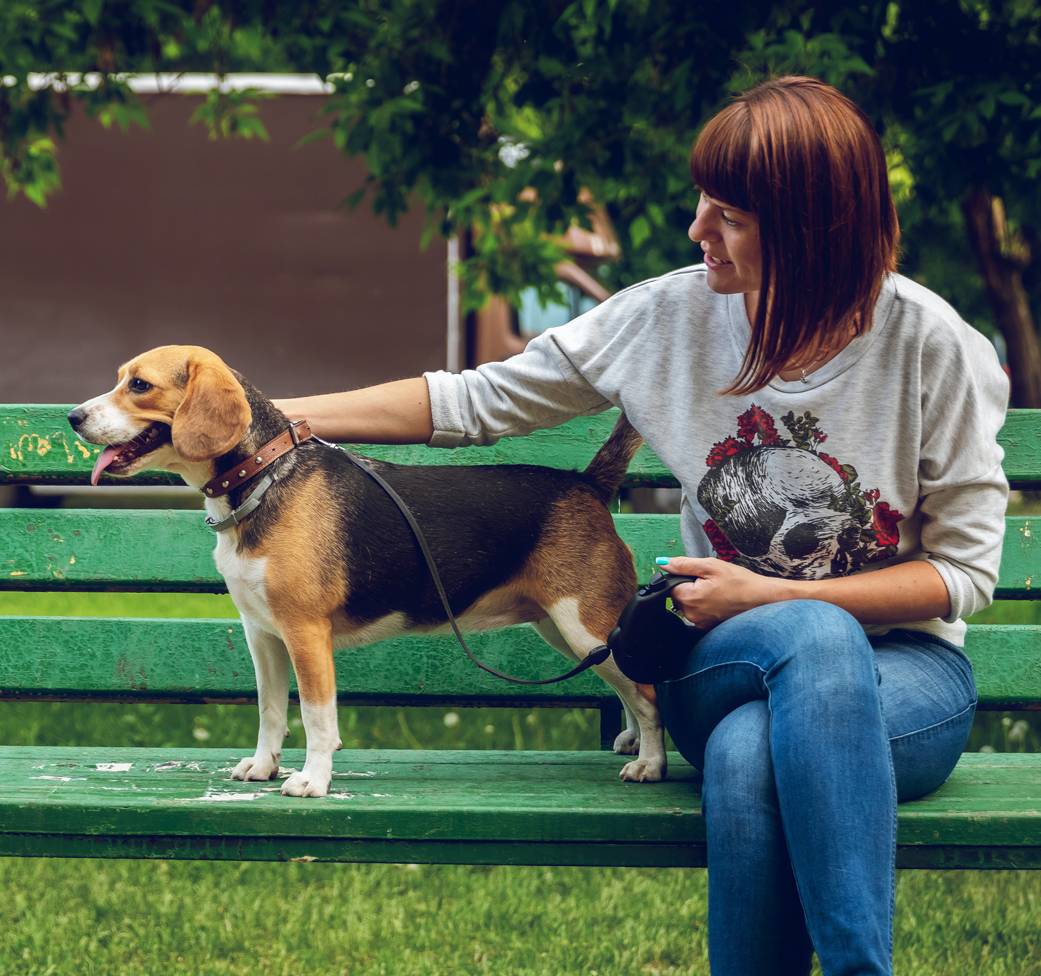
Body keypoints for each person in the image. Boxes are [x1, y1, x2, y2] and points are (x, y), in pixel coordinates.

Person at [274, 76, 1008, 976]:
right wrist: (266, 413)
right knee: (788, 661)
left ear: (815, 226)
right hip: (719, 657)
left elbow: (964, 577)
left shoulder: (932, 347)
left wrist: (772, 591)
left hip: (907, 679)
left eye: (730, 215)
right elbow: (475, 400)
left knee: (748, 759)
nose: (698, 231)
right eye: (703, 202)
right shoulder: (668, 315)